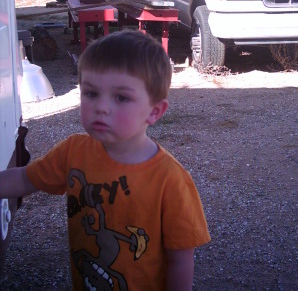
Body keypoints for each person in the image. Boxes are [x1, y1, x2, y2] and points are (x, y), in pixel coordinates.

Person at [0, 30, 210, 291]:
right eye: (91, 93)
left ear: (155, 111)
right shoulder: (73, 151)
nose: (101, 107)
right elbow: (23, 178)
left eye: (121, 97)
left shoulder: (171, 180)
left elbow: (181, 261)